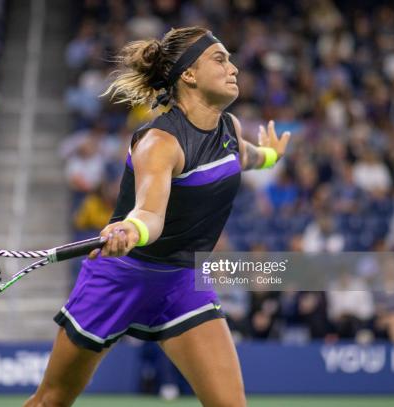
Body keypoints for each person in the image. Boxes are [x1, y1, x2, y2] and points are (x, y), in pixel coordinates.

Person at [25, 27, 291, 407]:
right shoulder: (160, 142)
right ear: (189, 75)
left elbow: (245, 157)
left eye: (231, 59)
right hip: (120, 276)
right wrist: (130, 229)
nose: (233, 68)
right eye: (219, 59)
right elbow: (150, 212)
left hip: (182, 282)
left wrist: (271, 156)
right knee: (51, 401)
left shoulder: (229, 129)